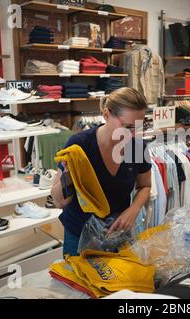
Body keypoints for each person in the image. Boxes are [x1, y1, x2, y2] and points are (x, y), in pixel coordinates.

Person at [51, 87, 152, 256]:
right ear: (106, 115)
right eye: (127, 126)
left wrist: (133, 209)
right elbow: (59, 201)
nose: (133, 134)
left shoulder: (137, 147)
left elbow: (145, 186)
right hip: (79, 236)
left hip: (118, 234)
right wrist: (69, 174)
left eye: (139, 126)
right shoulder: (79, 145)